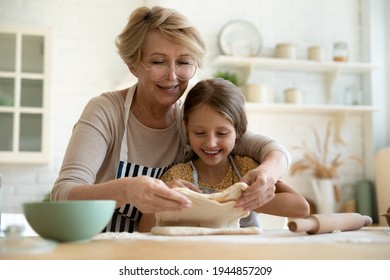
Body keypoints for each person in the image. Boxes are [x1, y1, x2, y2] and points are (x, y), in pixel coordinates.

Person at [51, 6, 293, 233]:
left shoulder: (192, 122)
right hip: (103, 246)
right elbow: (62, 195)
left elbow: (274, 151)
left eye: (184, 62)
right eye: (158, 62)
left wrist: (266, 174)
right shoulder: (106, 111)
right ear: (133, 65)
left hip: (159, 255)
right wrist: (127, 190)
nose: (173, 76)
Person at [139, 78, 310, 231]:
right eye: (199, 133)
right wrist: (161, 195)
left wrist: (240, 202)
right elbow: (144, 231)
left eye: (221, 133)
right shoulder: (179, 175)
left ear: (239, 131)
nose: (211, 143)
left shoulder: (247, 170)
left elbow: (301, 207)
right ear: (186, 128)